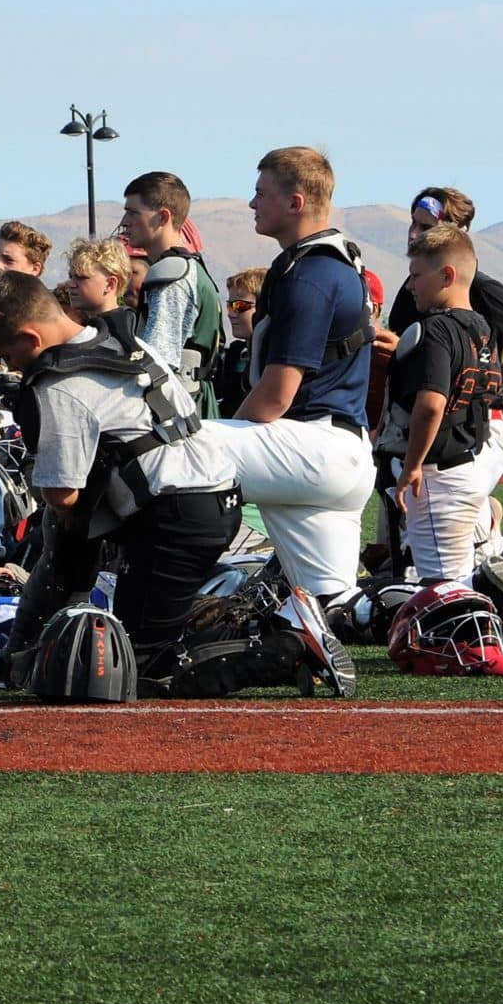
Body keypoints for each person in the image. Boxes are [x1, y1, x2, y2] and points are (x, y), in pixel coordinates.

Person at [0, 270, 240, 684]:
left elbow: (62, 494)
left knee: (137, 672)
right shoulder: (119, 339)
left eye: (6, 354)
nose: (10, 366)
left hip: (176, 514)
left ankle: (276, 645)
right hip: (213, 493)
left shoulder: (59, 384)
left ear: (30, 339)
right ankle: (24, 653)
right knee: (78, 551)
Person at [200, 147, 371, 689]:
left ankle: (140, 615)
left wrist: (228, 432)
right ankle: (438, 613)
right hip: (336, 455)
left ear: (295, 202)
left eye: (262, 192)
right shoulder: (330, 264)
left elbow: (275, 397)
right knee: (336, 609)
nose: (251, 202)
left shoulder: (309, 274)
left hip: (310, 447)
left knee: (170, 453)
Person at [379, 228, 503, 611]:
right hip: (469, 462)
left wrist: (412, 466)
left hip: (440, 474)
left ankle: (488, 634)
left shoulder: (436, 328)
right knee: (455, 578)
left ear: (447, 276)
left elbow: (431, 405)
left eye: (417, 275)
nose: (410, 286)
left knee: (442, 592)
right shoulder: (482, 327)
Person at [119, 170, 228, 414]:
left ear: (162, 217)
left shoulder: (172, 276)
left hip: (177, 414)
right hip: (192, 406)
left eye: (133, 212)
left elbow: (157, 361)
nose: (125, 221)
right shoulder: (189, 266)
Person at [214, 267, 265, 418]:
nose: (231, 313)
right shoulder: (235, 355)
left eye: (240, 306)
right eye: (229, 305)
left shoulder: (275, 361)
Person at [59, 237, 136, 333]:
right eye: (71, 277)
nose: (71, 285)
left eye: (81, 277)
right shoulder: (87, 329)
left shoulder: (127, 332)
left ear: (110, 284)